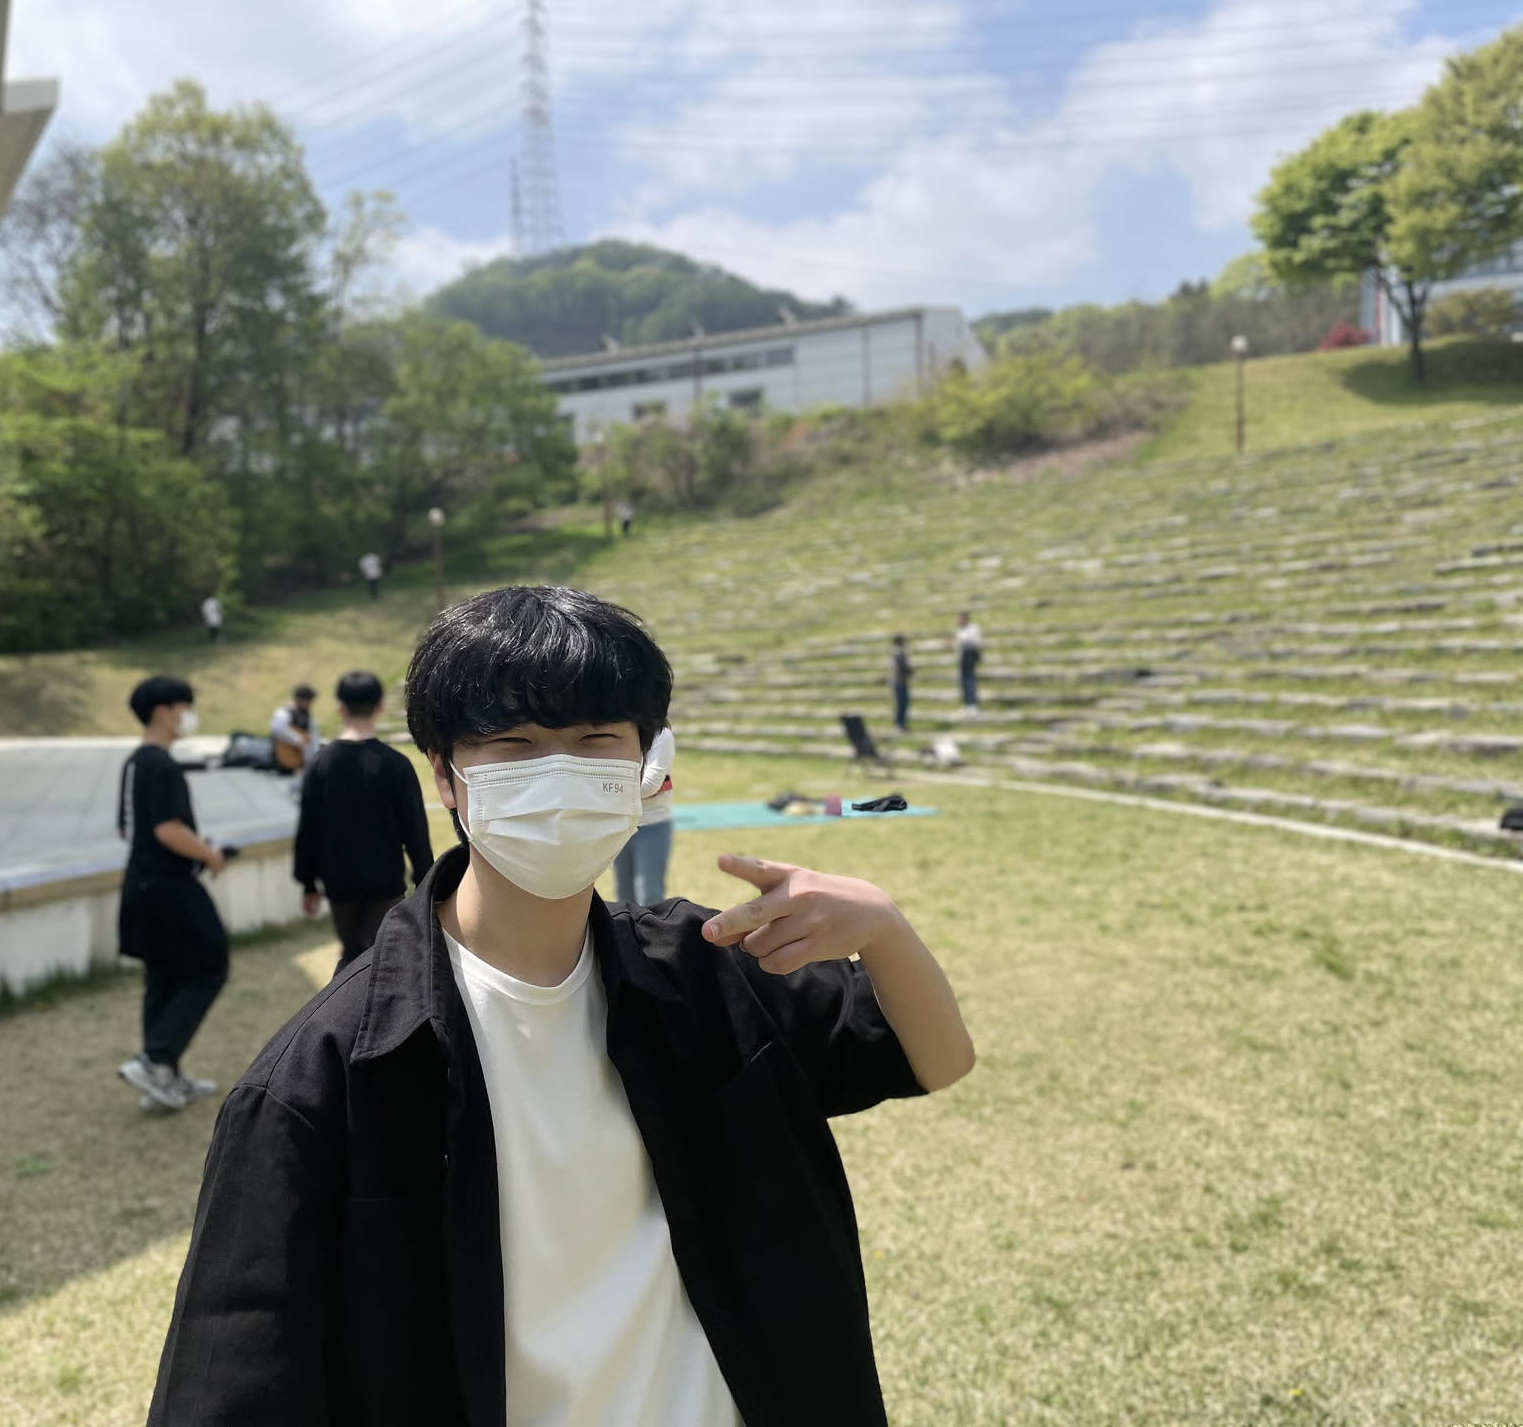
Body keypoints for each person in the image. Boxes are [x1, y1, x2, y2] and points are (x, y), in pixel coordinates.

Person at [147, 585, 974, 1426]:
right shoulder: (321, 1079)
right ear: (445, 775)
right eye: (514, 743)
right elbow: (229, 1386)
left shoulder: (707, 972)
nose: (559, 774)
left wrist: (884, 928)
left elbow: (935, 1060)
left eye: (594, 740)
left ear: (646, 764)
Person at [116, 676, 230, 1114]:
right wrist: (209, 854)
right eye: (185, 707)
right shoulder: (160, 765)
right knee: (209, 965)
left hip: (141, 884)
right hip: (168, 886)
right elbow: (168, 830)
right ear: (164, 711)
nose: (189, 716)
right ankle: (156, 1059)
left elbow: (128, 828)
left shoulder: (135, 762)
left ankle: (162, 1076)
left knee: (163, 977)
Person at [293, 670, 435, 973]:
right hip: (385, 882)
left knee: (351, 957)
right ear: (380, 706)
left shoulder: (320, 763)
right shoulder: (396, 764)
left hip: (339, 884)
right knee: (383, 962)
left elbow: (308, 828)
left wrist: (308, 883)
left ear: (340, 708)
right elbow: (415, 830)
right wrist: (426, 882)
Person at [612, 720, 674, 903]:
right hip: (622, 824)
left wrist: (608, 788)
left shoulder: (661, 735)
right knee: (624, 898)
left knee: (649, 896)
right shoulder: (616, 732)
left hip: (653, 824)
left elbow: (649, 785)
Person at [268, 683, 318, 773]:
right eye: (308, 701)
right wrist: (297, 740)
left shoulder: (309, 718)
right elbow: (278, 729)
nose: (310, 704)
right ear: (300, 699)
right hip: (283, 762)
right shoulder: (282, 713)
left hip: (301, 763)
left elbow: (313, 741)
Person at [954, 610, 983, 716]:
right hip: (962, 657)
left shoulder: (973, 628)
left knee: (970, 681)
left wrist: (963, 643)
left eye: (959, 619)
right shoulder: (959, 630)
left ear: (965, 619)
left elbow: (976, 643)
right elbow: (958, 645)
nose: (958, 621)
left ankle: (973, 705)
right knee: (963, 682)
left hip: (970, 657)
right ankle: (967, 704)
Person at [891, 633, 914, 732]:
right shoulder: (899, 652)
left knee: (902, 703)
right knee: (902, 703)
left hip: (900, 681)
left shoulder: (897, 652)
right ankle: (900, 724)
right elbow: (902, 667)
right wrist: (910, 672)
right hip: (899, 681)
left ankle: (901, 723)